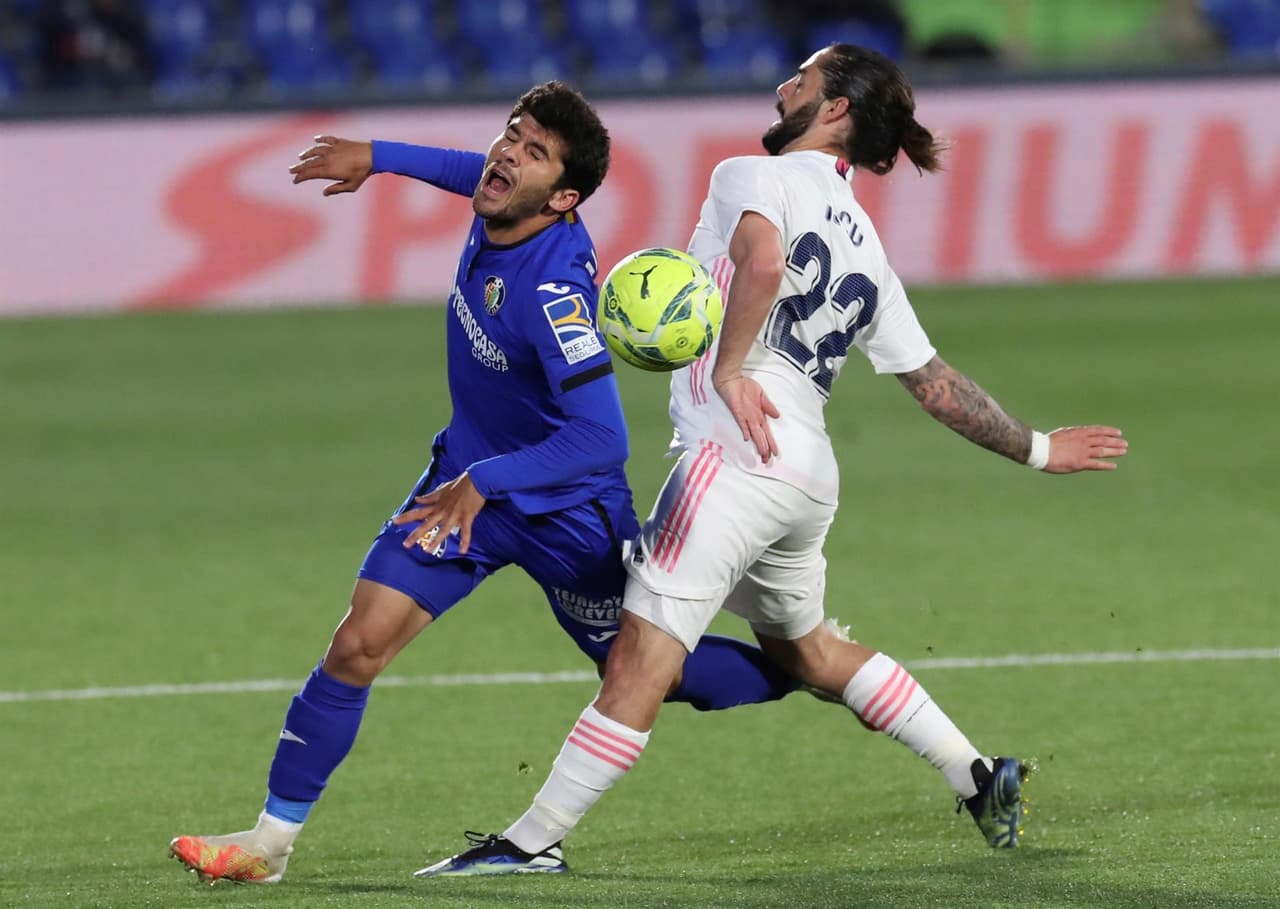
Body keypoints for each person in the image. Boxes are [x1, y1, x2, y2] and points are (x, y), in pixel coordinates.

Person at [418, 44, 1129, 876]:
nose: (785, 83)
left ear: (835, 112)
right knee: (810, 652)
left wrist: (725, 367)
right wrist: (1039, 449)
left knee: (640, 659)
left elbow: (761, 262)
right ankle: (979, 776)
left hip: (736, 455)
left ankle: (529, 844)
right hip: (805, 474)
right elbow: (934, 385)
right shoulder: (867, 247)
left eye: (805, 76)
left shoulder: (751, 175)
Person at [167, 81, 802, 886]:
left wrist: (491, 479)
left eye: (533, 151)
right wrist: (381, 158)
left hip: (564, 512)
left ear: (564, 198)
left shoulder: (553, 294)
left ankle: (802, 669)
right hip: (464, 488)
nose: (506, 154)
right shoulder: (504, 199)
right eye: (512, 134)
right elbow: (472, 169)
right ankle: (267, 844)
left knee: (651, 676)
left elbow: (603, 439)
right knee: (357, 644)